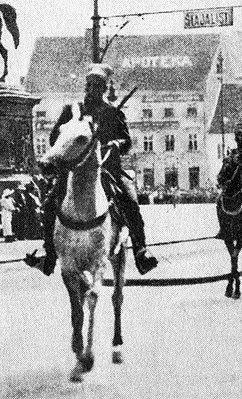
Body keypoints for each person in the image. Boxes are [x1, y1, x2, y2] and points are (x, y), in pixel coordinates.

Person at [42, 63, 158, 276]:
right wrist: (66, 137)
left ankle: (141, 251)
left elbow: (127, 142)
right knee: (50, 203)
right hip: (75, 169)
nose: (91, 89)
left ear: (104, 88)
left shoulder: (112, 112)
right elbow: (53, 139)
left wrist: (115, 144)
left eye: (97, 86)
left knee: (131, 202)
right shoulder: (72, 110)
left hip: (107, 169)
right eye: (89, 85)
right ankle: (48, 253)